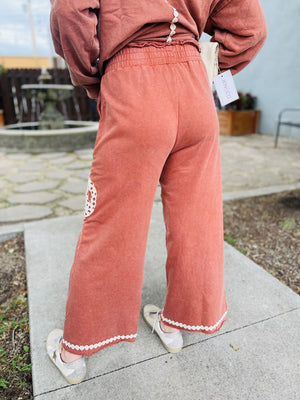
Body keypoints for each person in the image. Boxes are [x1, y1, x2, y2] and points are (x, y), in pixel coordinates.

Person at [48, 0, 267, 384]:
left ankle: (74, 349)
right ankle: (175, 323)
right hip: (193, 84)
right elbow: (251, 28)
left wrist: (94, 77)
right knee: (196, 219)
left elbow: (69, 11)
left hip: (132, 78)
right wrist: (212, 65)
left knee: (112, 222)